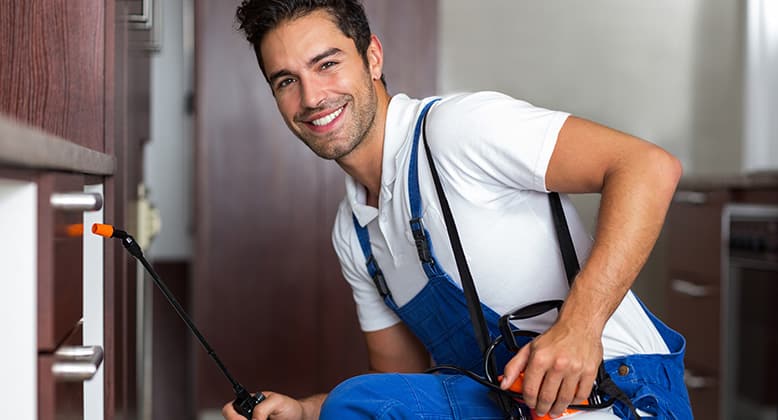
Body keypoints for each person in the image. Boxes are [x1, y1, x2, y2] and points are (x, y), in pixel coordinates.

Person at [224, 0, 692, 419]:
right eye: (287, 81)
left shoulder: (457, 130)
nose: (311, 97)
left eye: (326, 64)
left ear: (372, 57)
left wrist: (579, 327)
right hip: (511, 405)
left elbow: (646, 166)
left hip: (621, 393)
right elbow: (398, 386)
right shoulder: (353, 233)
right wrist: (307, 412)